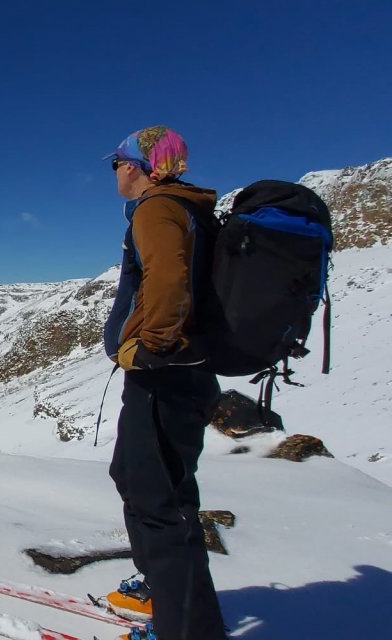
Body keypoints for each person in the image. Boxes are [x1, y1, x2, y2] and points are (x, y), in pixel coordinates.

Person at [101, 126, 227, 640]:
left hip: (165, 378)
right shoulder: (186, 209)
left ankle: (182, 628)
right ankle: (164, 589)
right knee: (136, 479)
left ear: (135, 166)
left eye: (116, 163)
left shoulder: (158, 208)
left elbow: (169, 279)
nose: (113, 173)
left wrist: (151, 347)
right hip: (177, 377)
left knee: (158, 504)